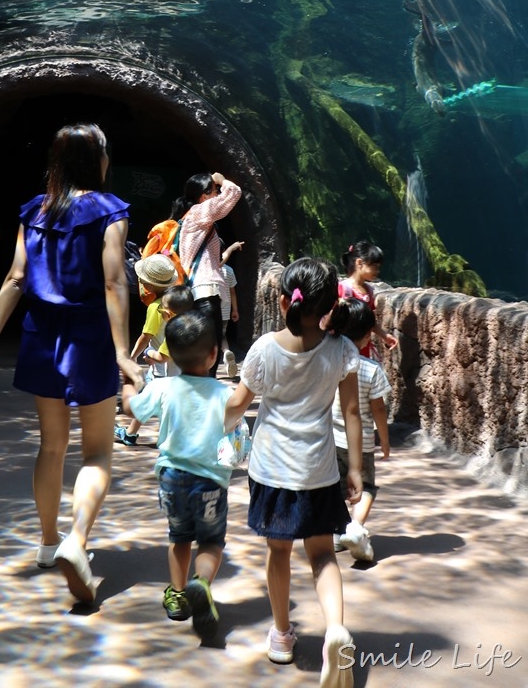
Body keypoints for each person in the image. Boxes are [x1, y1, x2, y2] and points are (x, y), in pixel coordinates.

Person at [0, 123, 142, 604]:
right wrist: (123, 353)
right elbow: (113, 284)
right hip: (88, 340)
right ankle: (77, 540)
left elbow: (16, 276)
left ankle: (47, 543)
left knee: (51, 447)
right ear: (99, 160)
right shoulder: (111, 211)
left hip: (42, 337)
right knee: (98, 452)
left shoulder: (34, 210)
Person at [224, 257, 362, 685]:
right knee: (322, 555)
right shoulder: (342, 349)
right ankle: (336, 629)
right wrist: (354, 468)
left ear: (284, 299)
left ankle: (283, 635)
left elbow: (237, 405)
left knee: (278, 552)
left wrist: (215, 420)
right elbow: (353, 412)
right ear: (328, 305)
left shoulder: (266, 349)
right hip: (319, 471)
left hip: (272, 472)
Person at [121, 311, 234, 640]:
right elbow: (238, 436)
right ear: (213, 354)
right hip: (210, 482)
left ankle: (178, 593)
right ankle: (202, 583)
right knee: (211, 542)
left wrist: (129, 390)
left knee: (179, 537)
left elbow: (134, 409)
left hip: (172, 478)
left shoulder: (163, 386)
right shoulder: (224, 393)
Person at [332, 298, 391, 563]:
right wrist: (385, 441)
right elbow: (379, 409)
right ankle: (355, 528)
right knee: (366, 487)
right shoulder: (371, 369)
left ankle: (335, 533)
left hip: (330, 438)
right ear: (367, 335)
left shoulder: (329, 362)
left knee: (335, 486)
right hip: (362, 442)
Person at [174, 171, 242, 375]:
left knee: (197, 348)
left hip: (193, 291)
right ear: (204, 196)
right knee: (209, 350)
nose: (218, 193)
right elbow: (234, 192)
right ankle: (207, 394)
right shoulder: (200, 211)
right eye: (215, 191)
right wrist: (222, 180)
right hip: (206, 291)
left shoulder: (188, 218)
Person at [116, 282, 194, 446]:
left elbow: (162, 357)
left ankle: (173, 439)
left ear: (169, 314)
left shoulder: (173, 332)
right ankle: (130, 433)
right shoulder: (190, 326)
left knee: (152, 401)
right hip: (180, 375)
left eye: (163, 310)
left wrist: (147, 352)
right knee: (149, 399)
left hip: (165, 375)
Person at [339, 240, 397, 356]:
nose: (377, 271)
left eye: (378, 267)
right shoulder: (344, 289)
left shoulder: (369, 290)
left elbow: (369, 321)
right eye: (374, 266)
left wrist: (385, 336)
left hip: (363, 346)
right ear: (359, 263)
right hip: (344, 347)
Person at [220, 240, 244, 378]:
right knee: (222, 335)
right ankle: (226, 352)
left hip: (207, 309)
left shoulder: (208, 269)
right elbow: (233, 292)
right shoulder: (229, 271)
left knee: (209, 337)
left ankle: (207, 368)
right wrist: (235, 310)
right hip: (224, 310)